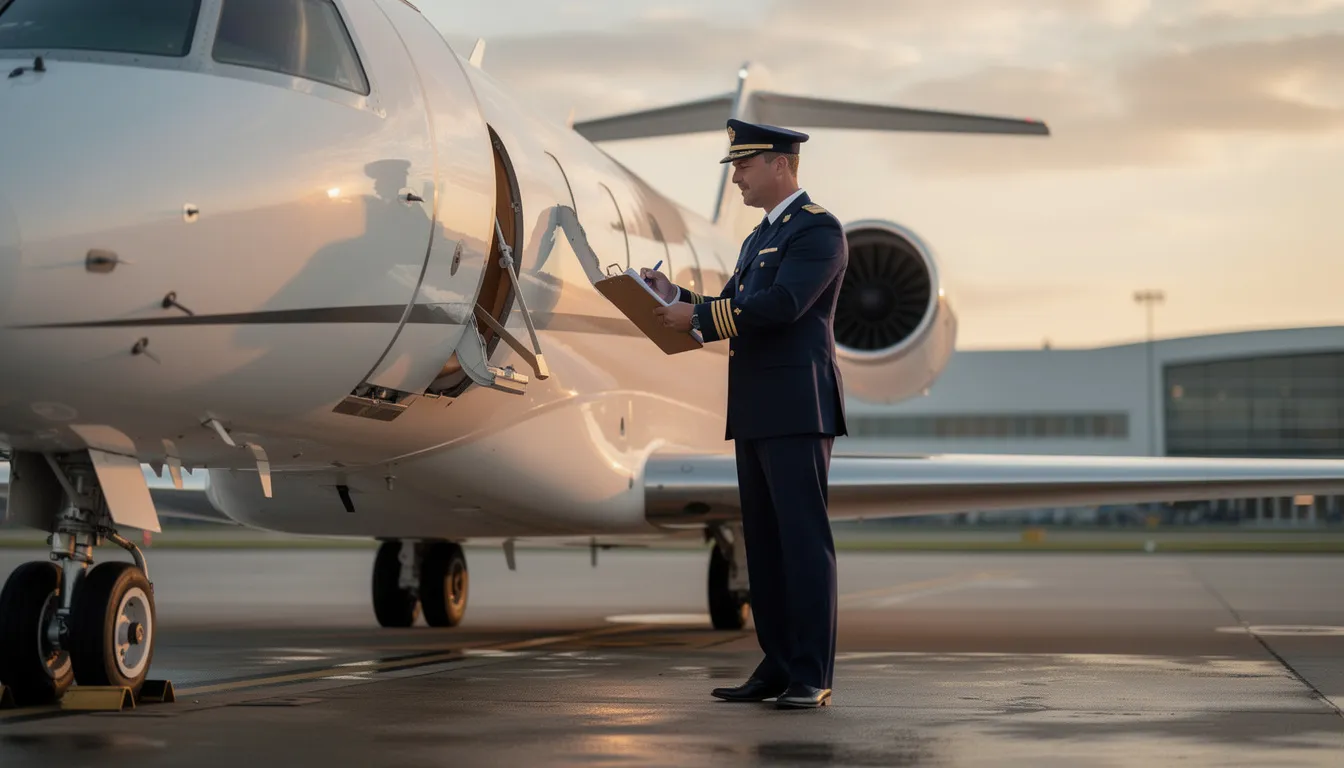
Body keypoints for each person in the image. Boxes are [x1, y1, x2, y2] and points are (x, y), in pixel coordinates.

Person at [643, 118, 848, 709]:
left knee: (803, 543)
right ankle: (778, 664)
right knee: (764, 544)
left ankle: (812, 672)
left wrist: (700, 321)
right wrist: (673, 297)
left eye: (744, 164)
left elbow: (782, 306)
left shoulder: (818, 232)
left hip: (798, 407)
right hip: (757, 408)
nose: (736, 177)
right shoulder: (758, 239)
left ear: (780, 165)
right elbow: (735, 304)